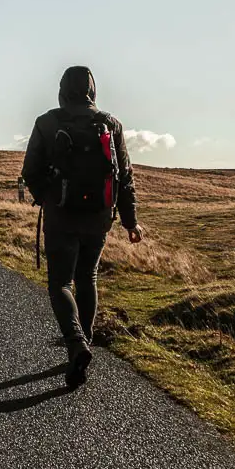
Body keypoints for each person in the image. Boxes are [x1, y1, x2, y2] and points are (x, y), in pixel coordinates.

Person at [21, 66, 143, 388]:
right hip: (99, 217)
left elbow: (30, 171)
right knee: (87, 276)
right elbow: (125, 177)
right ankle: (84, 341)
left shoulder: (47, 122)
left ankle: (76, 342)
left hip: (61, 216)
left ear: (62, 89)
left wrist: (46, 197)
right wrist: (131, 221)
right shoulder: (110, 124)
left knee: (60, 282)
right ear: (92, 89)